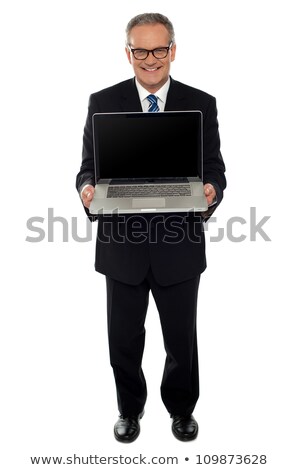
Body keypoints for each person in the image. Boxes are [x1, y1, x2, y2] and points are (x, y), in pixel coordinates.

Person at [76, 12, 226, 443]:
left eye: (159, 49)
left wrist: (211, 189)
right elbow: (87, 169)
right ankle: (129, 409)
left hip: (178, 242)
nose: (150, 59)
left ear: (173, 51)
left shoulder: (202, 102)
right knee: (123, 340)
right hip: (121, 244)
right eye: (140, 50)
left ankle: (181, 410)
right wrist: (88, 189)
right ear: (128, 53)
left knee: (182, 340)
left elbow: (214, 167)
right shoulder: (102, 101)